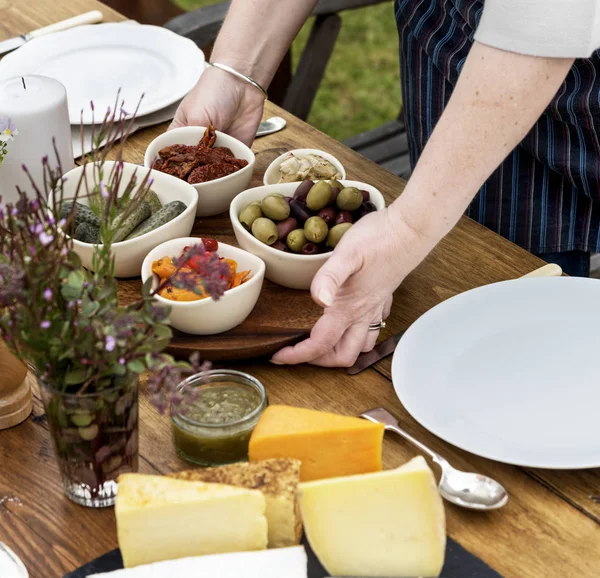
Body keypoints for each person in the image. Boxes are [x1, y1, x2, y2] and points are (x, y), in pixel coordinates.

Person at [171, 0, 600, 367]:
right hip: (448, 29)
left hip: (571, 65)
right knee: (478, 283)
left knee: (535, 335)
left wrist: (408, 227)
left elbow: (547, 17)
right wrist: (236, 74)